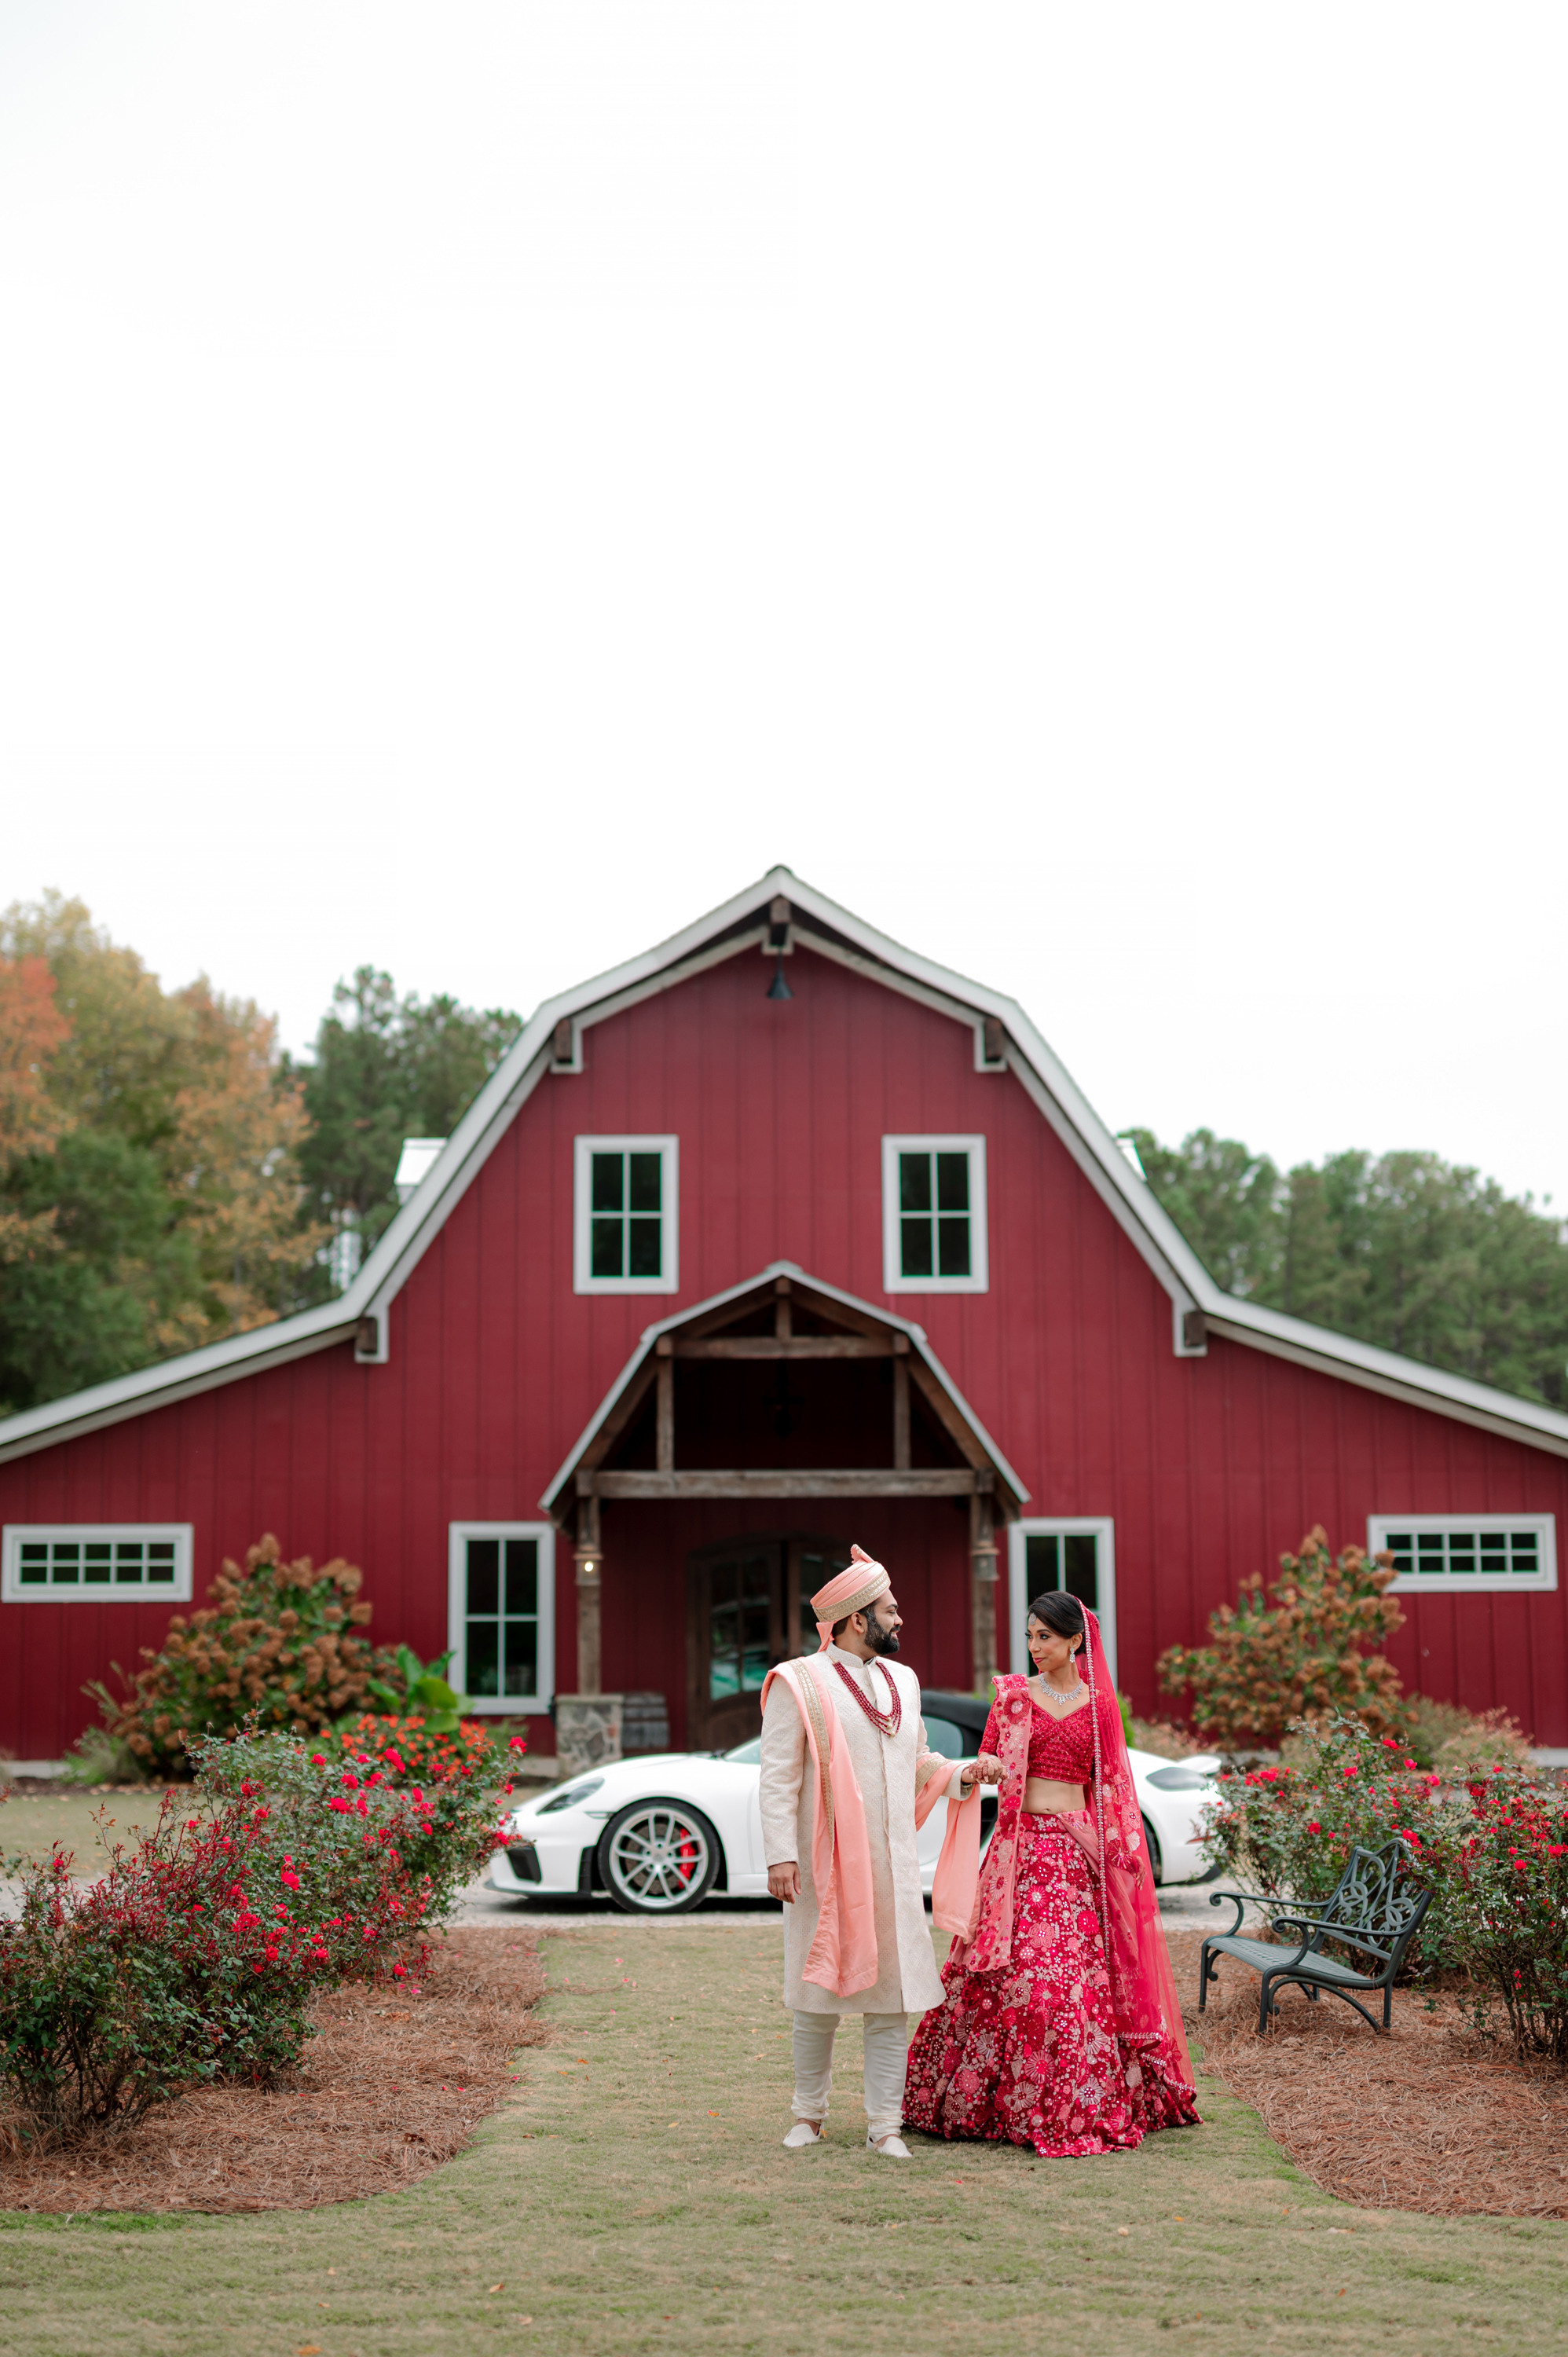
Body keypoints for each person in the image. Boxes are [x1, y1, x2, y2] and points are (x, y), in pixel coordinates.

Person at [903, 1589, 1200, 2157]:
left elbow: (1112, 1787)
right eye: (1031, 1636)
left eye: (1046, 1636)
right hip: (1020, 1853)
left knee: (1069, 1985)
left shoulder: (1099, 1707)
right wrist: (984, 1767)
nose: (1035, 1647)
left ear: (1074, 1641)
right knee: (1016, 1979)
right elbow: (989, 1763)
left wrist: (1122, 1851)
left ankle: (1073, 2098)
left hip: (1077, 1856)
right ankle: (993, 2099)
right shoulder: (1014, 1699)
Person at [759, 1545, 991, 2159]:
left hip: (892, 1866)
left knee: (892, 2000)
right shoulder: (799, 1682)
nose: (901, 1620)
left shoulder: (903, 1681)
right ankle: (808, 2116)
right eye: (891, 1610)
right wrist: (781, 1855)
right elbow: (779, 1776)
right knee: (818, 1998)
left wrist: (962, 1775)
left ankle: (884, 2125)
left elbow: (918, 1763)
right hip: (823, 1869)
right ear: (859, 1619)